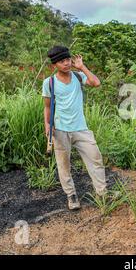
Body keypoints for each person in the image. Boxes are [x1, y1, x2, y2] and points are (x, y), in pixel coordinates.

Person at [42, 45, 107, 210]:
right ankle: (71, 196)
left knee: (95, 158)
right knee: (64, 165)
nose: (66, 63)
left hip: (81, 128)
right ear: (54, 65)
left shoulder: (78, 77)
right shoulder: (49, 83)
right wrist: (48, 125)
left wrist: (82, 67)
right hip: (60, 130)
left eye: (68, 60)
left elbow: (96, 83)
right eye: (62, 61)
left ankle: (102, 193)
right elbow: (47, 107)